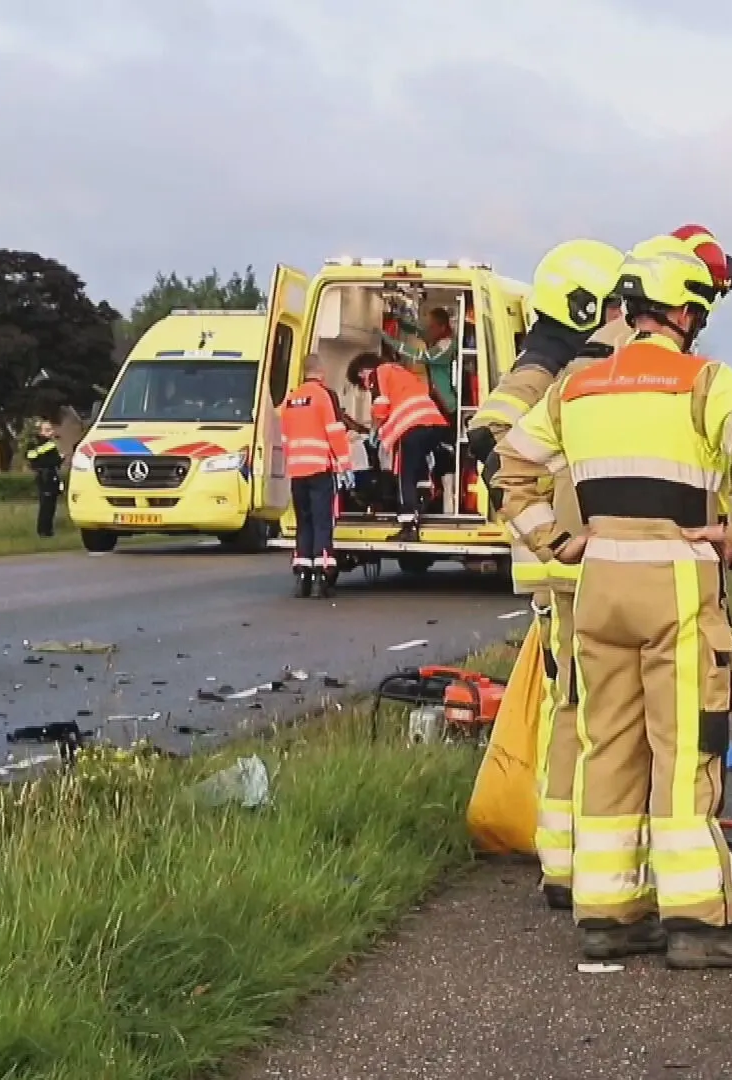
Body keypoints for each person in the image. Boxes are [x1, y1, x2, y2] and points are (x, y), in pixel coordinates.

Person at [491, 240, 732, 970]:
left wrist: (558, 542)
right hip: (676, 587)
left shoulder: (578, 386)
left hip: (598, 587)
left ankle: (609, 912)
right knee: (685, 749)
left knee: (607, 748)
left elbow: (513, 468)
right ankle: (702, 923)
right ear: (686, 312)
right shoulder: (703, 382)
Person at [466, 237, 631, 910]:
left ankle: (564, 858)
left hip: (557, 563)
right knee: (598, 716)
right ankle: (592, 859)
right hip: (574, 563)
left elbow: (494, 451)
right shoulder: (552, 375)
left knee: (570, 712)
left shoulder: (549, 368)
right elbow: (496, 446)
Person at [346, 350, 454, 543]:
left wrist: (375, 430)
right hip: (435, 424)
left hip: (411, 426)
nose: (366, 386)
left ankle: (408, 525)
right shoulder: (401, 372)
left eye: (362, 382)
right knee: (419, 468)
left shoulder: (378, 373)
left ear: (363, 372)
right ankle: (422, 505)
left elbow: (381, 405)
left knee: (404, 474)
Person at [279, 363, 354, 598]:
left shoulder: (290, 400)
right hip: (319, 469)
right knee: (323, 522)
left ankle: (303, 573)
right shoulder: (323, 397)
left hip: (297, 471)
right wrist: (345, 465)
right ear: (321, 373)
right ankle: (322, 573)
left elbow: (284, 438)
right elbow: (334, 432)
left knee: (304, 522)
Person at [25, 420, 63, 538]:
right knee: (48, 506)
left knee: (47, 505)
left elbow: (32, 459)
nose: (51, 432)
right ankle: (45, 531)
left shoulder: (34, 445)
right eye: (47, 430)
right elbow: (52, 461)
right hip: (48, 477)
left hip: (44, 477)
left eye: (50, 429)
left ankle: (44, 530)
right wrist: (60, 458)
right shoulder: (49, 445)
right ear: (40, 432)